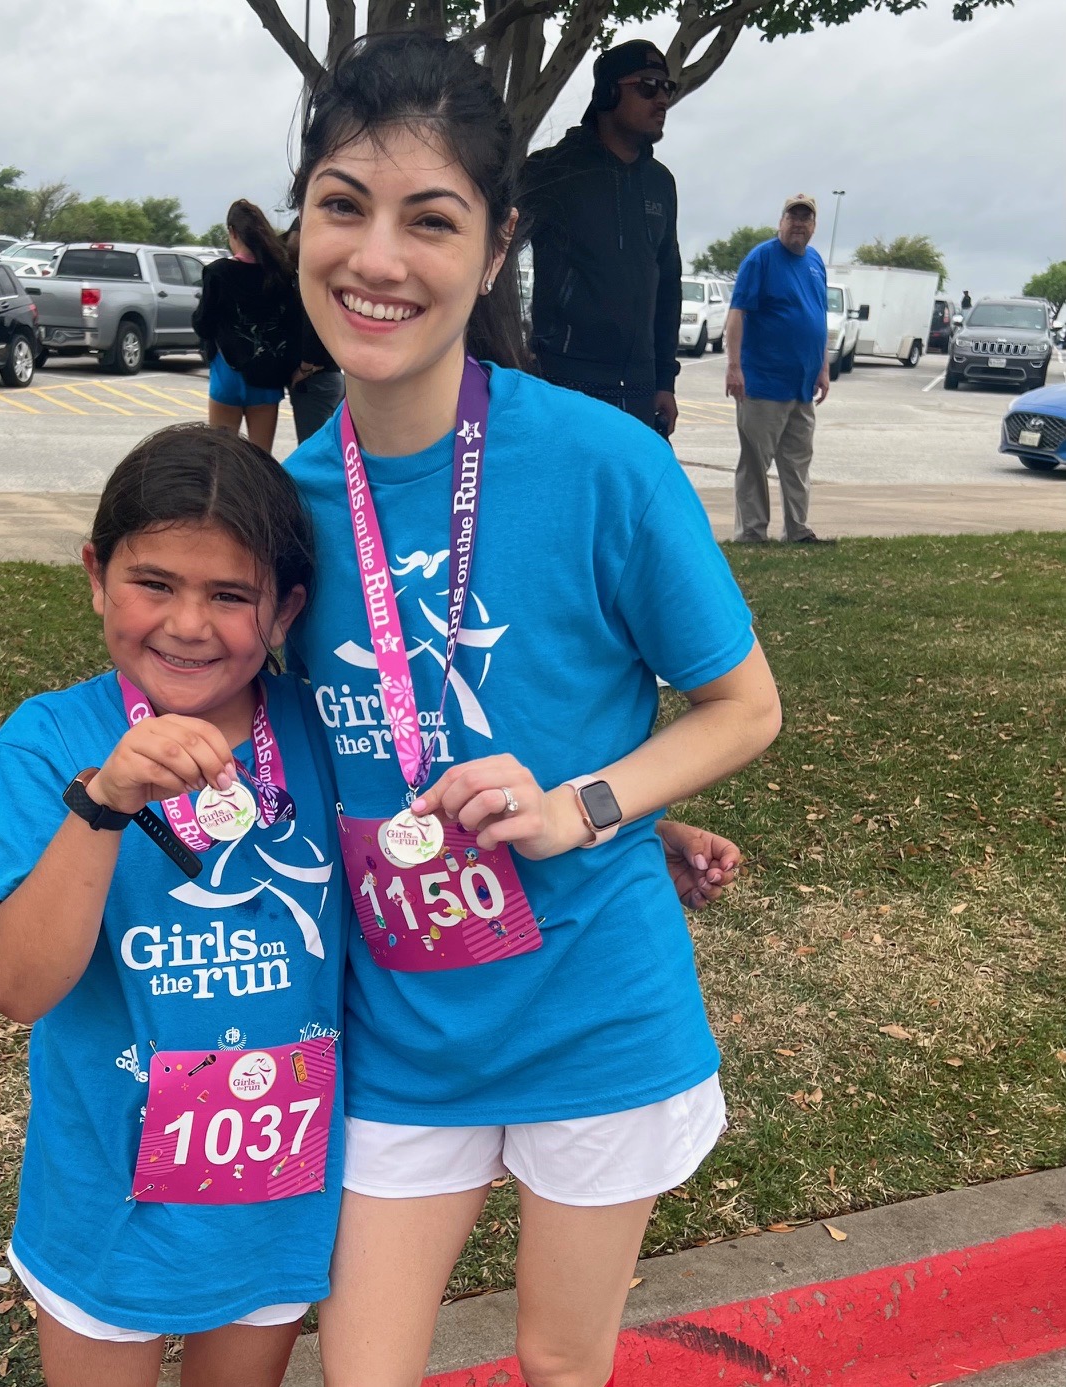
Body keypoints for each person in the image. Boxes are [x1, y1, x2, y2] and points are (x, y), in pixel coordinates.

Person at [282, 31, 782, 1387]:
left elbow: (741, 706)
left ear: (496, 244)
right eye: (342, 205)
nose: (376, 257)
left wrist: (592, 808)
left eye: (429, 219)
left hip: (592, 1006)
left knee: (563, 1364)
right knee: (361, 1371)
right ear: (301, 221)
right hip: (398, 1026)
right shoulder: (286, 505)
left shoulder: (601, 463)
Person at [0, 425, 347, 1387]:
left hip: (278, 1179)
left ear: (285, 608)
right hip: (106, 1192)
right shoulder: (49, 740)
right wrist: (102, 804)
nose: (187, 623)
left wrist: (639, 831)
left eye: (230, 594)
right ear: (97, 576)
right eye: (154, 583)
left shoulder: (323, 730)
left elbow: (427, 828)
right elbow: (17, 985)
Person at [519, 38, 683, 436]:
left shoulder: (661, 183)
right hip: (565, 384)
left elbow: (668, 283)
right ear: (608, 92)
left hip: (641, 389)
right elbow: (489, 254)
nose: (662, 99)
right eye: (648, 86)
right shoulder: (551, 172)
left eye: (667, 88)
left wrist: (664, 381)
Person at [725, 195, 833, 545]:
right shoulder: (761, 259)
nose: (799, 223)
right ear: (781, 222)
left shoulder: (815, 262)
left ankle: (798, 530)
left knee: (798, 461)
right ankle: (752, 533)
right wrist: (734, 367)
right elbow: (737, 314)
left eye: (806, 218)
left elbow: (818, 317)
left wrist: (823, 368)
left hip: (802, 386)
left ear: (814, 226)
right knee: (756, 463)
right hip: (763, 383)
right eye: (793, 216)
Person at [192, 200, 301, 452]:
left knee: (222, 455)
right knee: (260, 456)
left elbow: (204, 324)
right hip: (267, 376)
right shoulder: (280, 273)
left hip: (228, 373)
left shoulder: (217, 272)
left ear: (232, 232)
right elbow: (294, 324)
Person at [285, 217, 347, 443]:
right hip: (334, 375)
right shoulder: (334, 285)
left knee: (314, 446)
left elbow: (310, 327)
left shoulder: (307, 287)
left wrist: (305, 367)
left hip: (315, 379)